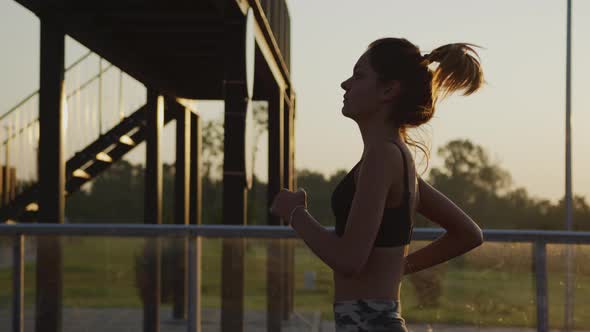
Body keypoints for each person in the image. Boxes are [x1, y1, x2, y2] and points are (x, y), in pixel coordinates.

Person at [270, 37, 485, 331]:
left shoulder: (383, 157)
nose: (345, 84)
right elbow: (468, 233)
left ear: (388, 89)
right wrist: (397, 268)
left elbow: (349, 260)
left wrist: (295, 214)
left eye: (359, 76)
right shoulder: (396, 157)